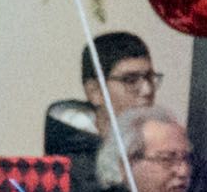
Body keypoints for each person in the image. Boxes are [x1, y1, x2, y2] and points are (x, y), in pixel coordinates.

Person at [44, 31, 164, 165]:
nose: (147, 90)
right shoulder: (73, 163)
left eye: (149, 78)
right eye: (130, 80)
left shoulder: (167, 148)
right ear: (96, 92)